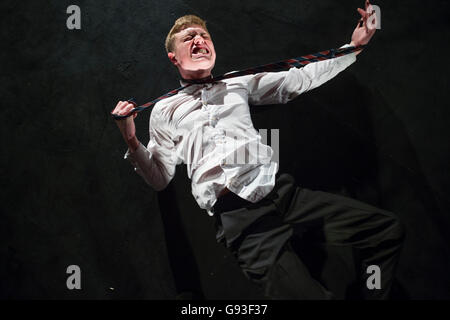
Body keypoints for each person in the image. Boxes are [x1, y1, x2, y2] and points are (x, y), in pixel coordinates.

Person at [111, 0, 404, 299]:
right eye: (189, 38)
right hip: (243, 221)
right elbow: (160, 178)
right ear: (173, 57)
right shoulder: (163, 111)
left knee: (386, 231)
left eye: (204, 36)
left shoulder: (237, 82)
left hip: (282, 195)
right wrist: (132, 139)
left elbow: (297, 79)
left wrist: (353, 47)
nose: (199, 40)